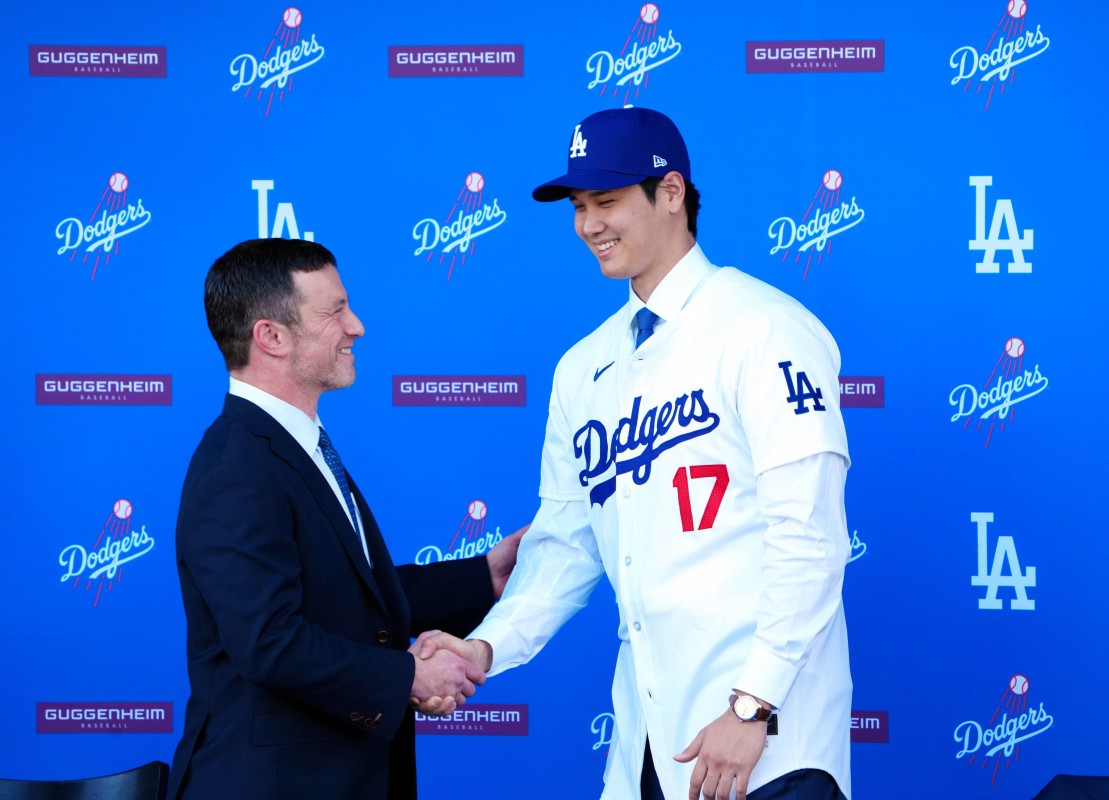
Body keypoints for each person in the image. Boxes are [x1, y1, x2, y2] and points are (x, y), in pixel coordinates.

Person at [416, 107, 852, 800]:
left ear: (671, 193)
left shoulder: (763, 327)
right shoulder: (583, 366)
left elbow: (811, 538)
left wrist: (753, 705)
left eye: (608, 201)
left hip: (768, 741)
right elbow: (564, 546)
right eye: (580, 206)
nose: (589, 224)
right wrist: (484, 649)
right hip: (650, 742)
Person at [169, 237, 523, 800]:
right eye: (335, 311)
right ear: (272, 337)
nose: (356, 326)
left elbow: (345, 597)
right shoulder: (237, 465)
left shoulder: (295, 445)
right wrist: (409, 676)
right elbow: (270, 640)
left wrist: (483, 576)